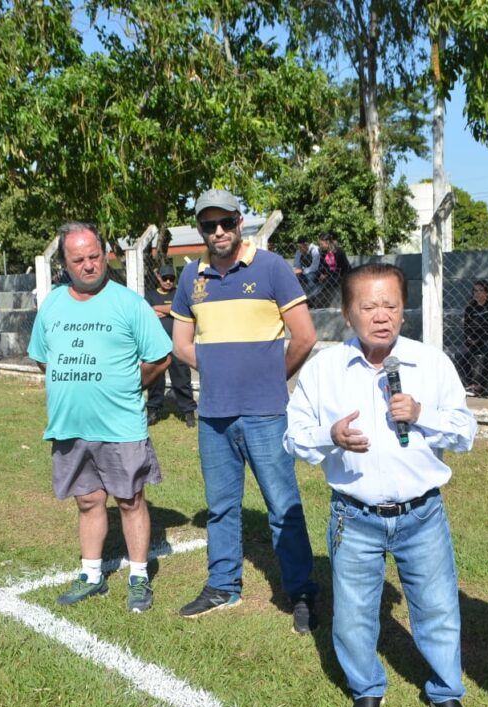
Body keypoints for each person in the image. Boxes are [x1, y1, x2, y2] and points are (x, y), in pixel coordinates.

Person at [284, 262, 477, 707]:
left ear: (403, 311)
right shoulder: (325, 369)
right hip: (355, 517)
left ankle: (446, 691)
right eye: (368, 306)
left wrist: (422, 413)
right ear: (348, 314)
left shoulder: (431, 364)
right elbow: (294, 437)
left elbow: (466, 432)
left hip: (422, 514)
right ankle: (366, 687)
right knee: (353, 612)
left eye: (390, 304)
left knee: (435, 606)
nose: (381, 315)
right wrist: (331, 436)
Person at [170, 188, 321, 632]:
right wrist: (218, 368)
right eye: (207, 225)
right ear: (200, 229)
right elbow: (181, 344)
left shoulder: (272, 268)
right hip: (215, 414)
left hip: (265, 412)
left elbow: (305, 337)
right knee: (220, 506)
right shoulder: (190, 277)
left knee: (282, 506)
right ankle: (222, 585)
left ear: (240, 222)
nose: (217, 232)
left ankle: (302, 593)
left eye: (225, 223)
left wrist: (271, 378)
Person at [28, 222, 172, 613]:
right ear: (64, 263)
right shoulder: (53, 304)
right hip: (70, 425)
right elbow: (43, 357)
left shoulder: (129, 303)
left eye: (95, 256)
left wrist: (127, 386)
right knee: (88, 500)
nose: (90, 265)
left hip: (120, 424)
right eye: (79, 260)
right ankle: (92, 576)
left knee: (129, 499)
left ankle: (139, 577)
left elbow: (160, 356)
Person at [143, 263, 197, 427]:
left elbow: (178, 307)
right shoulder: (150, 294)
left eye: (171, 279)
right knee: (155, 381)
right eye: (165, 278)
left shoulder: (179, 293)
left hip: (177, 344)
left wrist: (159, 308)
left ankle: (188, 413)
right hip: (157, 345)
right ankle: (153, 412)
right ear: (158, 277)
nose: (168, 282)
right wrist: (171, 310)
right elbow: (145, 312)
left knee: (182, 379)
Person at [454, 280, 488, 396]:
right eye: (475, 290)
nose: (477, 293)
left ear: (487, 293)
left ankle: (480, 386)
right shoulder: (470, 308)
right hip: (477, 342)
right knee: (460, 354)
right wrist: (469, 338)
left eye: (481, 290)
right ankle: (470, 385)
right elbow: (467, 327)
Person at [315, 234, 351, 307]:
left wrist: (326, 274)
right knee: (315, 278)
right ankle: (315, 299)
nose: (320, 246)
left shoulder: (339, 251)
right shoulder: (323, 252)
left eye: (321, 244)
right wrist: (320, 274)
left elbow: (341, 267)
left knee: (329, 281)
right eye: (319, 244)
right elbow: (321, 266)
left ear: (327, 242)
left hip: (341, 274)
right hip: (329, 274)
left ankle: (317, 301)